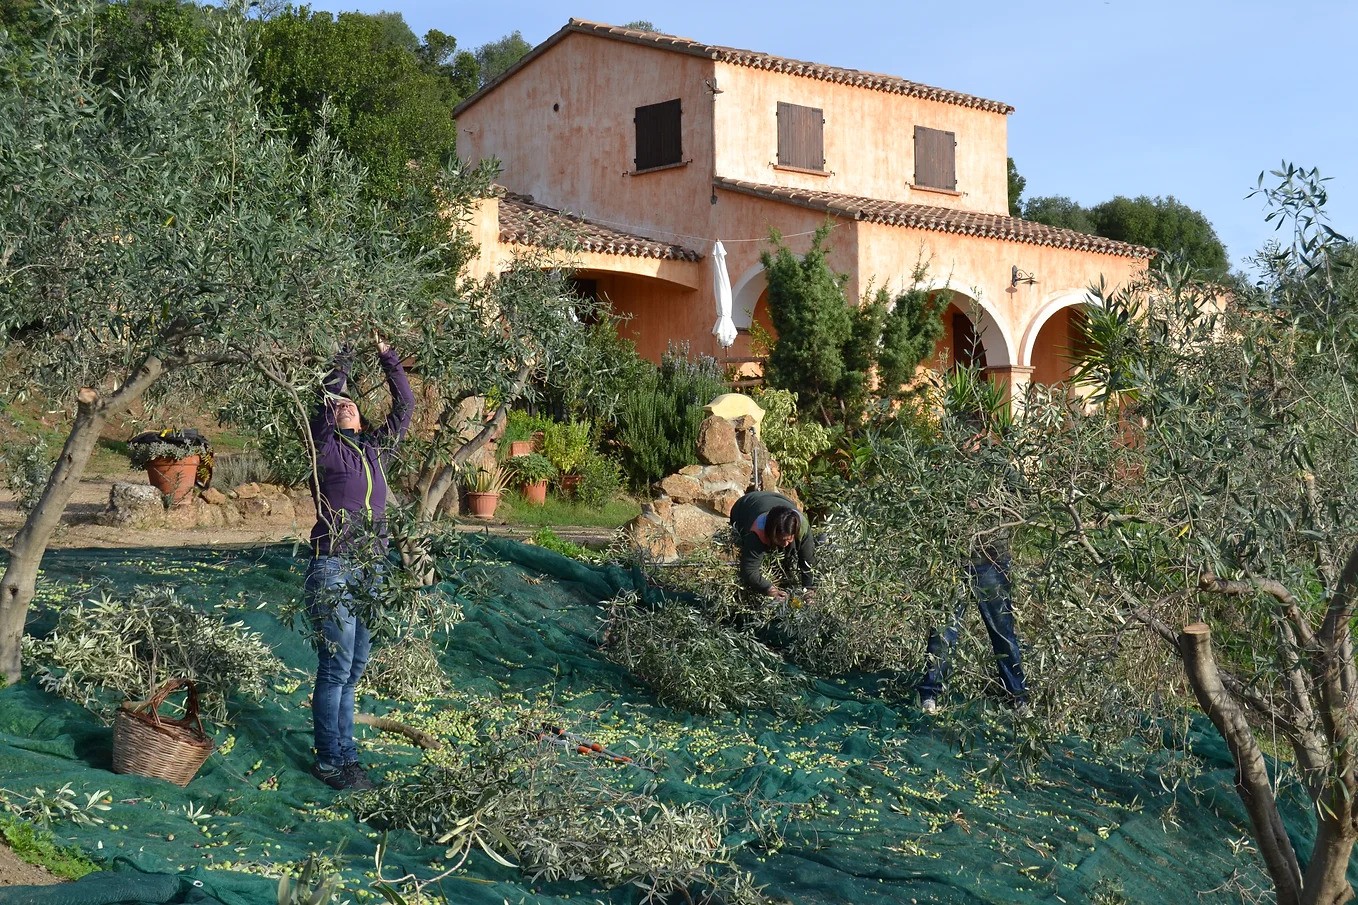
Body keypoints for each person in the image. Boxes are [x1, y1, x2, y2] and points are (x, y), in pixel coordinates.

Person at [305, 336, 414, 790]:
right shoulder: (326, 450)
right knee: (336, 666)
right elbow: (329, 393)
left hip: (374, 569)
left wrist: (387, 356)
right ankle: (330, 759)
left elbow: (405, 405)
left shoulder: (375, 450)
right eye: (340, 404)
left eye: (352, 404)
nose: (347, 405)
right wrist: (345, 356)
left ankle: (347, 754)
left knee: (355, 667)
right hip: (333, 566)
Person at [917, 432, 1029, 716]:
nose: (960, 442)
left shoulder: (999, 466)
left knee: (1002, 632)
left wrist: (991, 506)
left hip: (992, 559)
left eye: (964, 437)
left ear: (979, 436)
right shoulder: (946, 464)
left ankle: (1018, 698)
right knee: (942, 629)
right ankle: (930, 694)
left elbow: (1024, 500)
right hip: (954, 559)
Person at [728, 490, 815, 601]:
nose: (785, 544)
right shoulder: (758, 530)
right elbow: (748, 570)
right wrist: (770, 590)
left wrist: (809, 591)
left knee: (789, 553)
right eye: (781, 540)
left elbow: (808, 563)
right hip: (744, 507)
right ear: (771, 534)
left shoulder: (802, 527)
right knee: (750, 552)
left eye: (789, 539)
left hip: (779, 500)